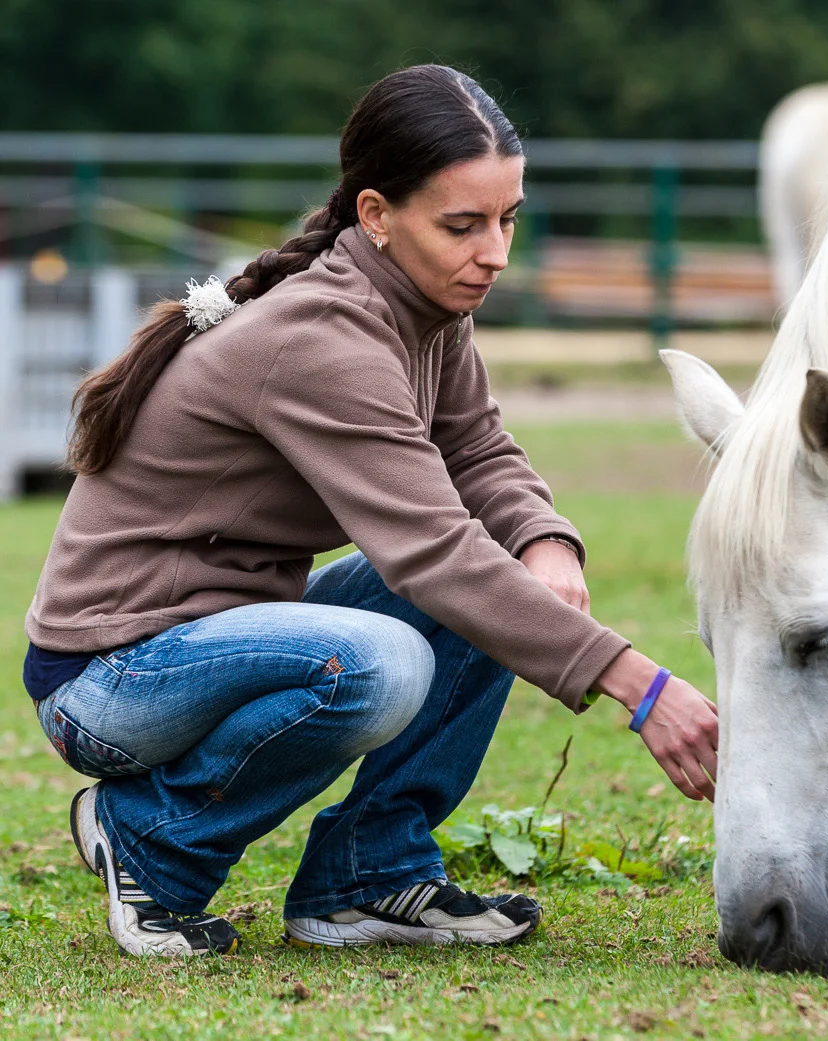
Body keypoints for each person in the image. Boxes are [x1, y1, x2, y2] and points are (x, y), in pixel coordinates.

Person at [22, 65, 719, 958]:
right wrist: (642, 688)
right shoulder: (321, 338)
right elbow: (433, 551)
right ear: (377, 215)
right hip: (110, 680)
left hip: (217, 640)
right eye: (462, 226)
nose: (496, 253)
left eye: (508, 219)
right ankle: (150, 838)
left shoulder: (427, 304)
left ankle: (367, 876)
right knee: (379, 663)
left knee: (495, 586)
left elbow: (476, 449)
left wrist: (545, 541)